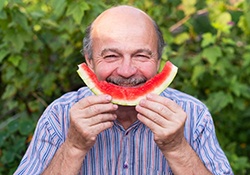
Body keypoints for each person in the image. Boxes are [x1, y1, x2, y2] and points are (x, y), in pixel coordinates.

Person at [14, 5, 233, 175]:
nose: (127, 71)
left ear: (158, 61)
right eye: (111, 56)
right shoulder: (59, 115)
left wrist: (177, 147)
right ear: (89, 62)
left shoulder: (194, 114)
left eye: (141, 55)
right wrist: (73, 146)